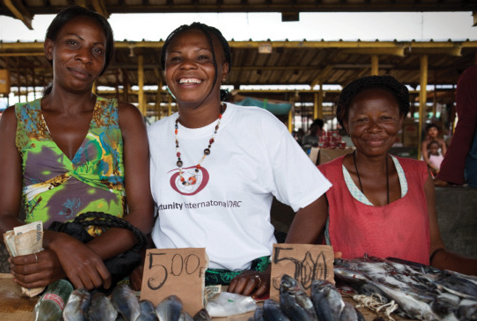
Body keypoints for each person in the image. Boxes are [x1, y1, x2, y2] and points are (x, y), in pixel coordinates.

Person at [143, 22, 331, 298]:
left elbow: (313, 203)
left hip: (248, 285)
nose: (187, 66)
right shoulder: (151, 137)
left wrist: (274, 272)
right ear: (165, 71)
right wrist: (141, 260)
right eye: (176, 59)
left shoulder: (257, 125)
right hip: (172, 283)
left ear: (224, 69)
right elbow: (141, 214)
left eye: (202, 57)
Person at [0, 6, 153, 291]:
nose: (84, 56)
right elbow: (1, 217)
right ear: (50, 48)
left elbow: (141, 214)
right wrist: (58, 245)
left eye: (97, 50)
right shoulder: (17, 119)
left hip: (112, 274)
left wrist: (77, 258)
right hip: (42, 274)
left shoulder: (124, 117)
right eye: (73, 43)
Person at [286, 75, 477, 275]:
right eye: (362, 120)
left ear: (401, 121)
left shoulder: (419, 176)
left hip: (412, 301)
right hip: (350, 303)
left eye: (386, 118)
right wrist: (328, 266)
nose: (375, 128)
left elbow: (434, 253)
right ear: (346, 123)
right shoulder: (324, 180)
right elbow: (290, 263)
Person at [435, 64, 477, 187]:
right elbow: (467, 124)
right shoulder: (473, 77)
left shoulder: (472, 76)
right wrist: (449, 172)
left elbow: (466, 124)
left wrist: (448, 173)